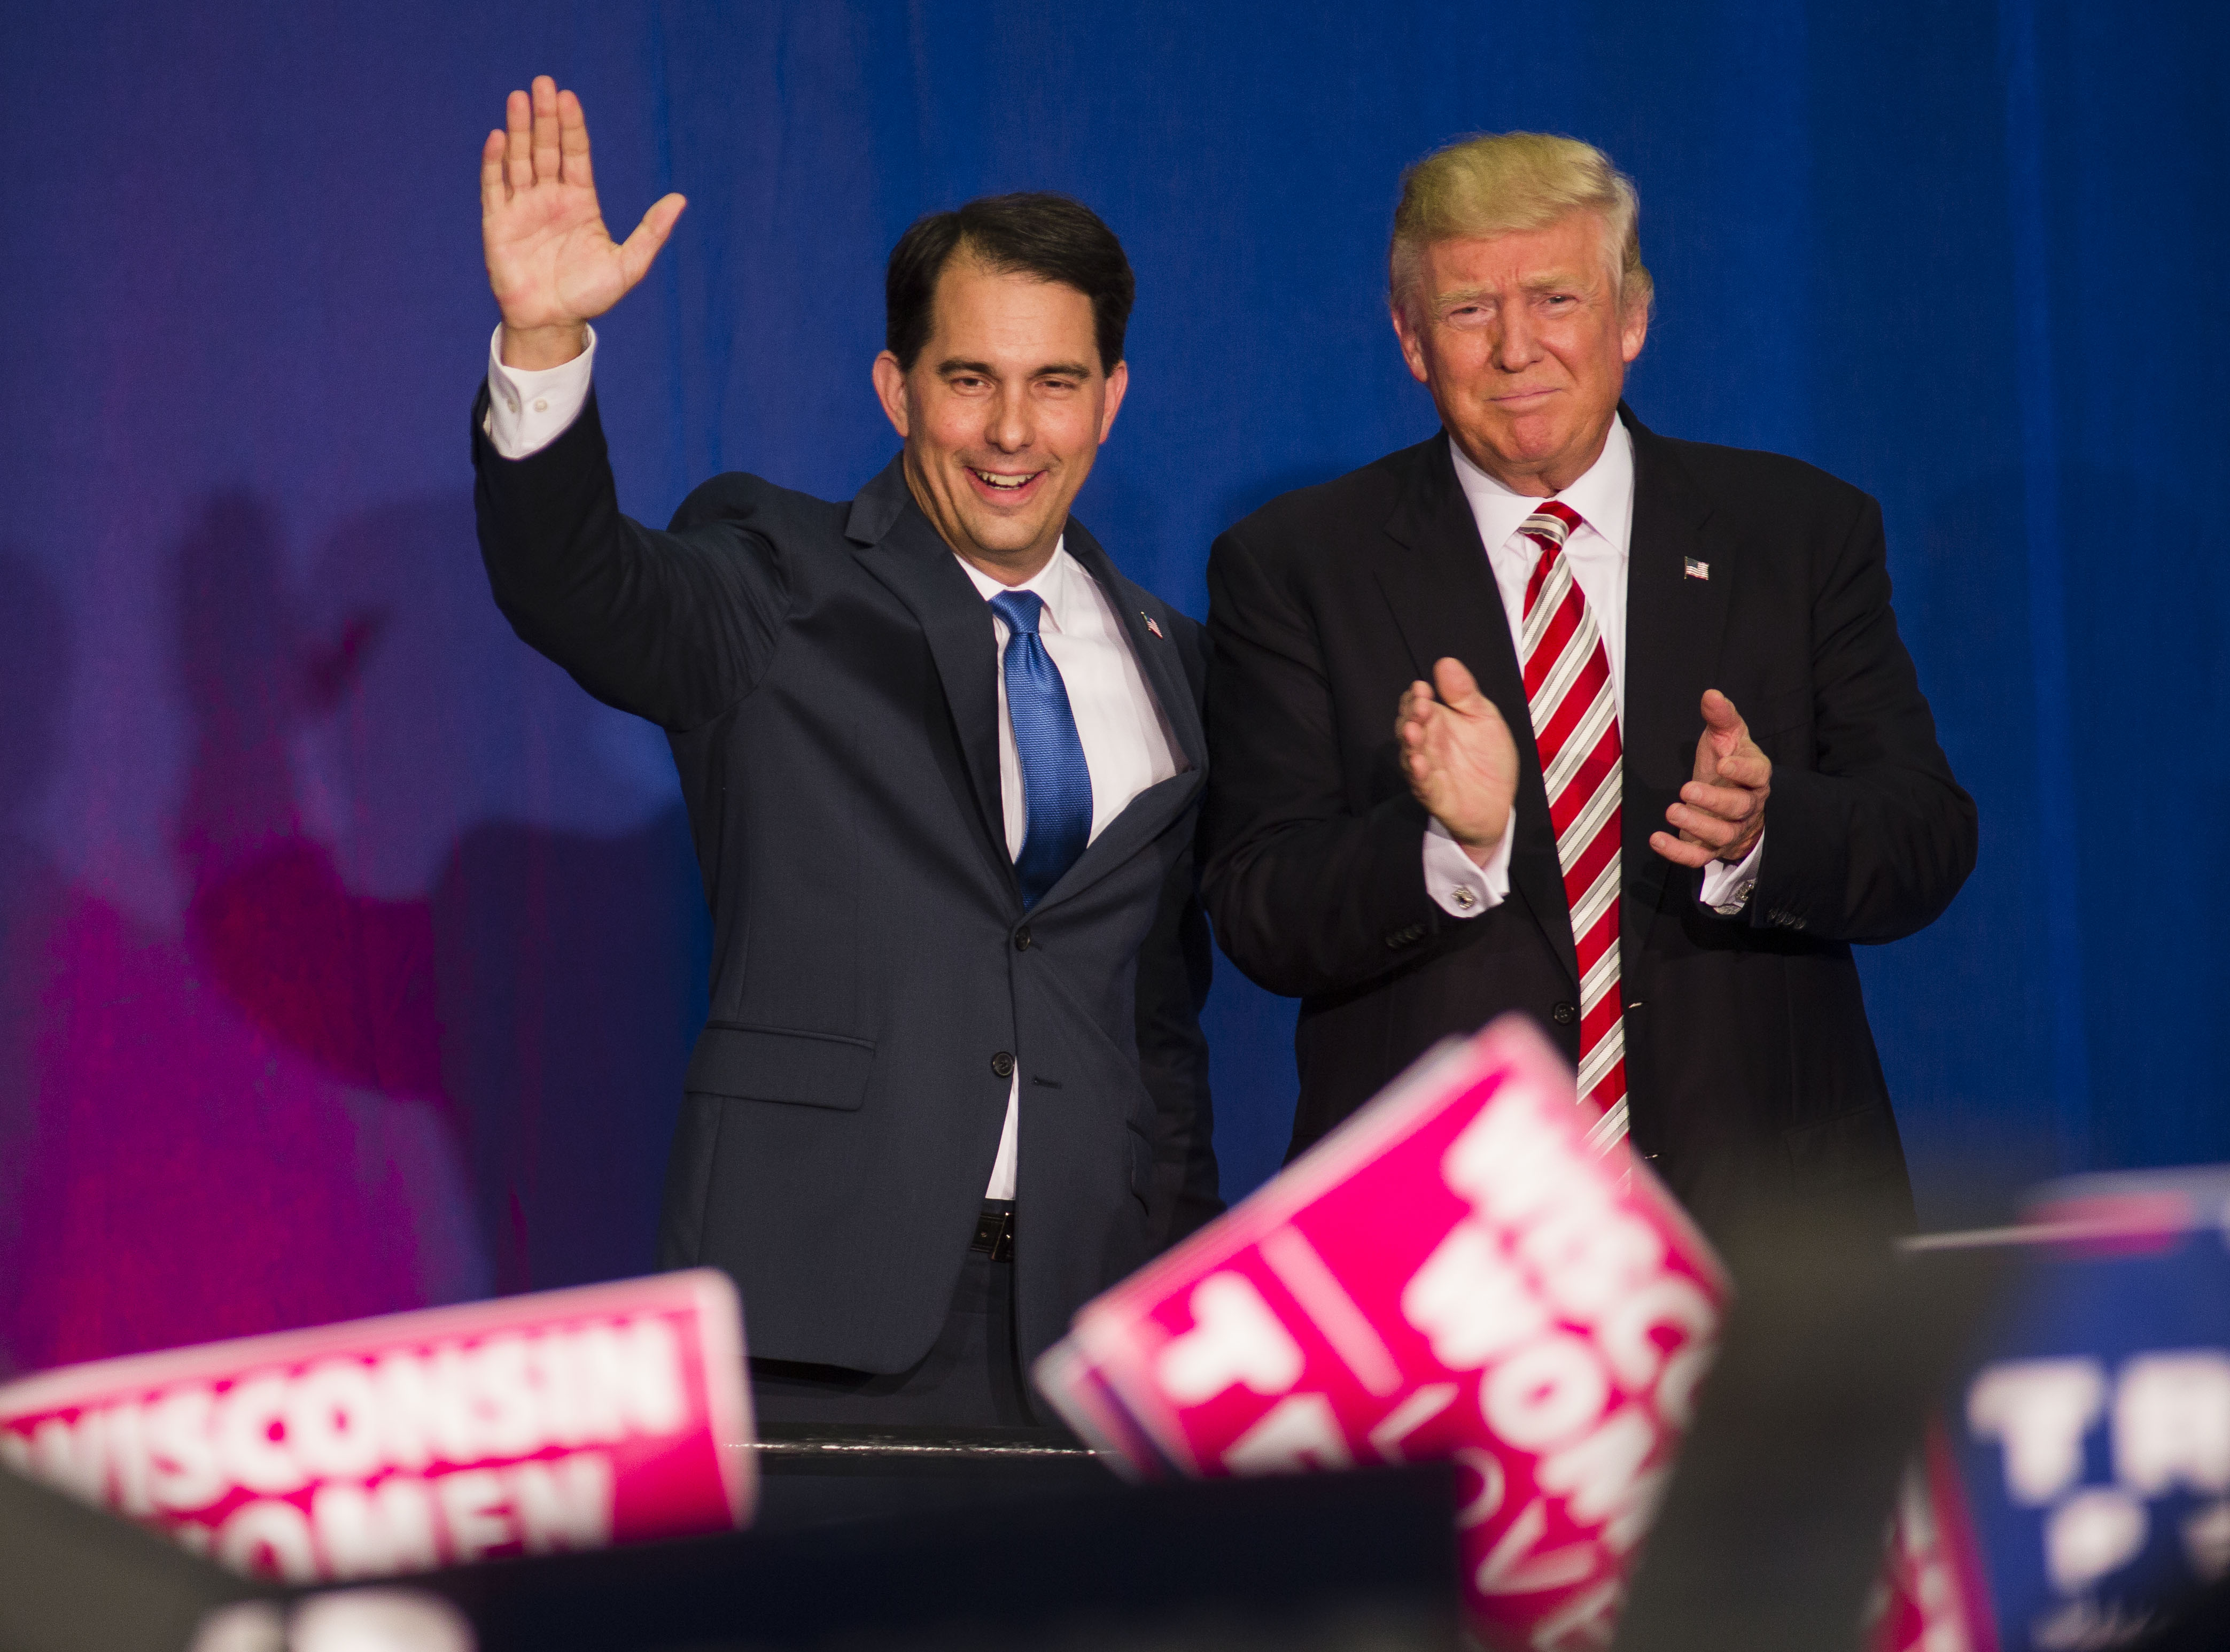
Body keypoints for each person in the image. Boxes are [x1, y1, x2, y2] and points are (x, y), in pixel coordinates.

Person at [470, 77, 1218, 1425]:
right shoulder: (778, 577)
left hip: (1091, 1339)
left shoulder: (1177, 657)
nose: (1009, 432)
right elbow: (580, 587)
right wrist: (544, 341)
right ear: (895, 386)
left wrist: (1181, 1306)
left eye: (1053, 385)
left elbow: (1155, 1026)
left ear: (1109, 398)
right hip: (813, 1314)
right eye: (967, 380)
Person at [1201, 133, 1974, 1249]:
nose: (1516, 347)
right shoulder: (1295, 565)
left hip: (1769, 1234)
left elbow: (1925, 840)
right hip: (1447, 1252)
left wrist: (1763, 832)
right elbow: (1258, 907)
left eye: (1554, 298)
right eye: (1468, 310)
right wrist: (1445, 845)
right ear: (1411, 341)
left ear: (1630, 319)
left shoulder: (1796, 534)